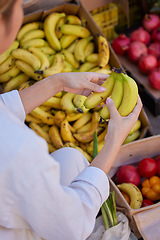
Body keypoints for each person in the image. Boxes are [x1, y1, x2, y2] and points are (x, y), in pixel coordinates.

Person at [0, 0, 143, 239]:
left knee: (71, 158)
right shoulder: (18, 149)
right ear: (4, 23)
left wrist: (58, 82)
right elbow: (70, 227)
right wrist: (113, 143)